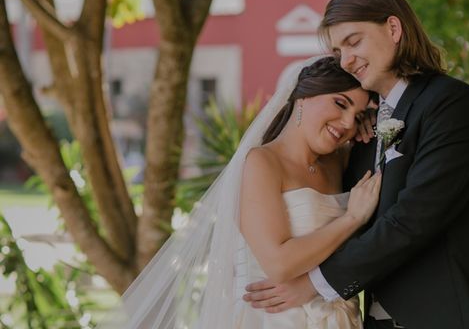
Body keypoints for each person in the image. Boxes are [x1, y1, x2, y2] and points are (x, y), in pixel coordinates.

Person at [244, 0, 469, 329]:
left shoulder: (451, 105)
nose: (347, 61)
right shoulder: (363, 132)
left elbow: (413, 220)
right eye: (339, 51)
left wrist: (313, 285)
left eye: (354, 42)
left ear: (394, 28)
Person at [99, 56, 381, 328]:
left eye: (357, 115)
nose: (347, 123)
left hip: (340, 318)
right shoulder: (262, 162)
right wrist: (351, 219)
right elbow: (278, 264)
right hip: (275, 320)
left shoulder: (341, 159)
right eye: (340, 104)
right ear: (303, 96)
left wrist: (370, 124)